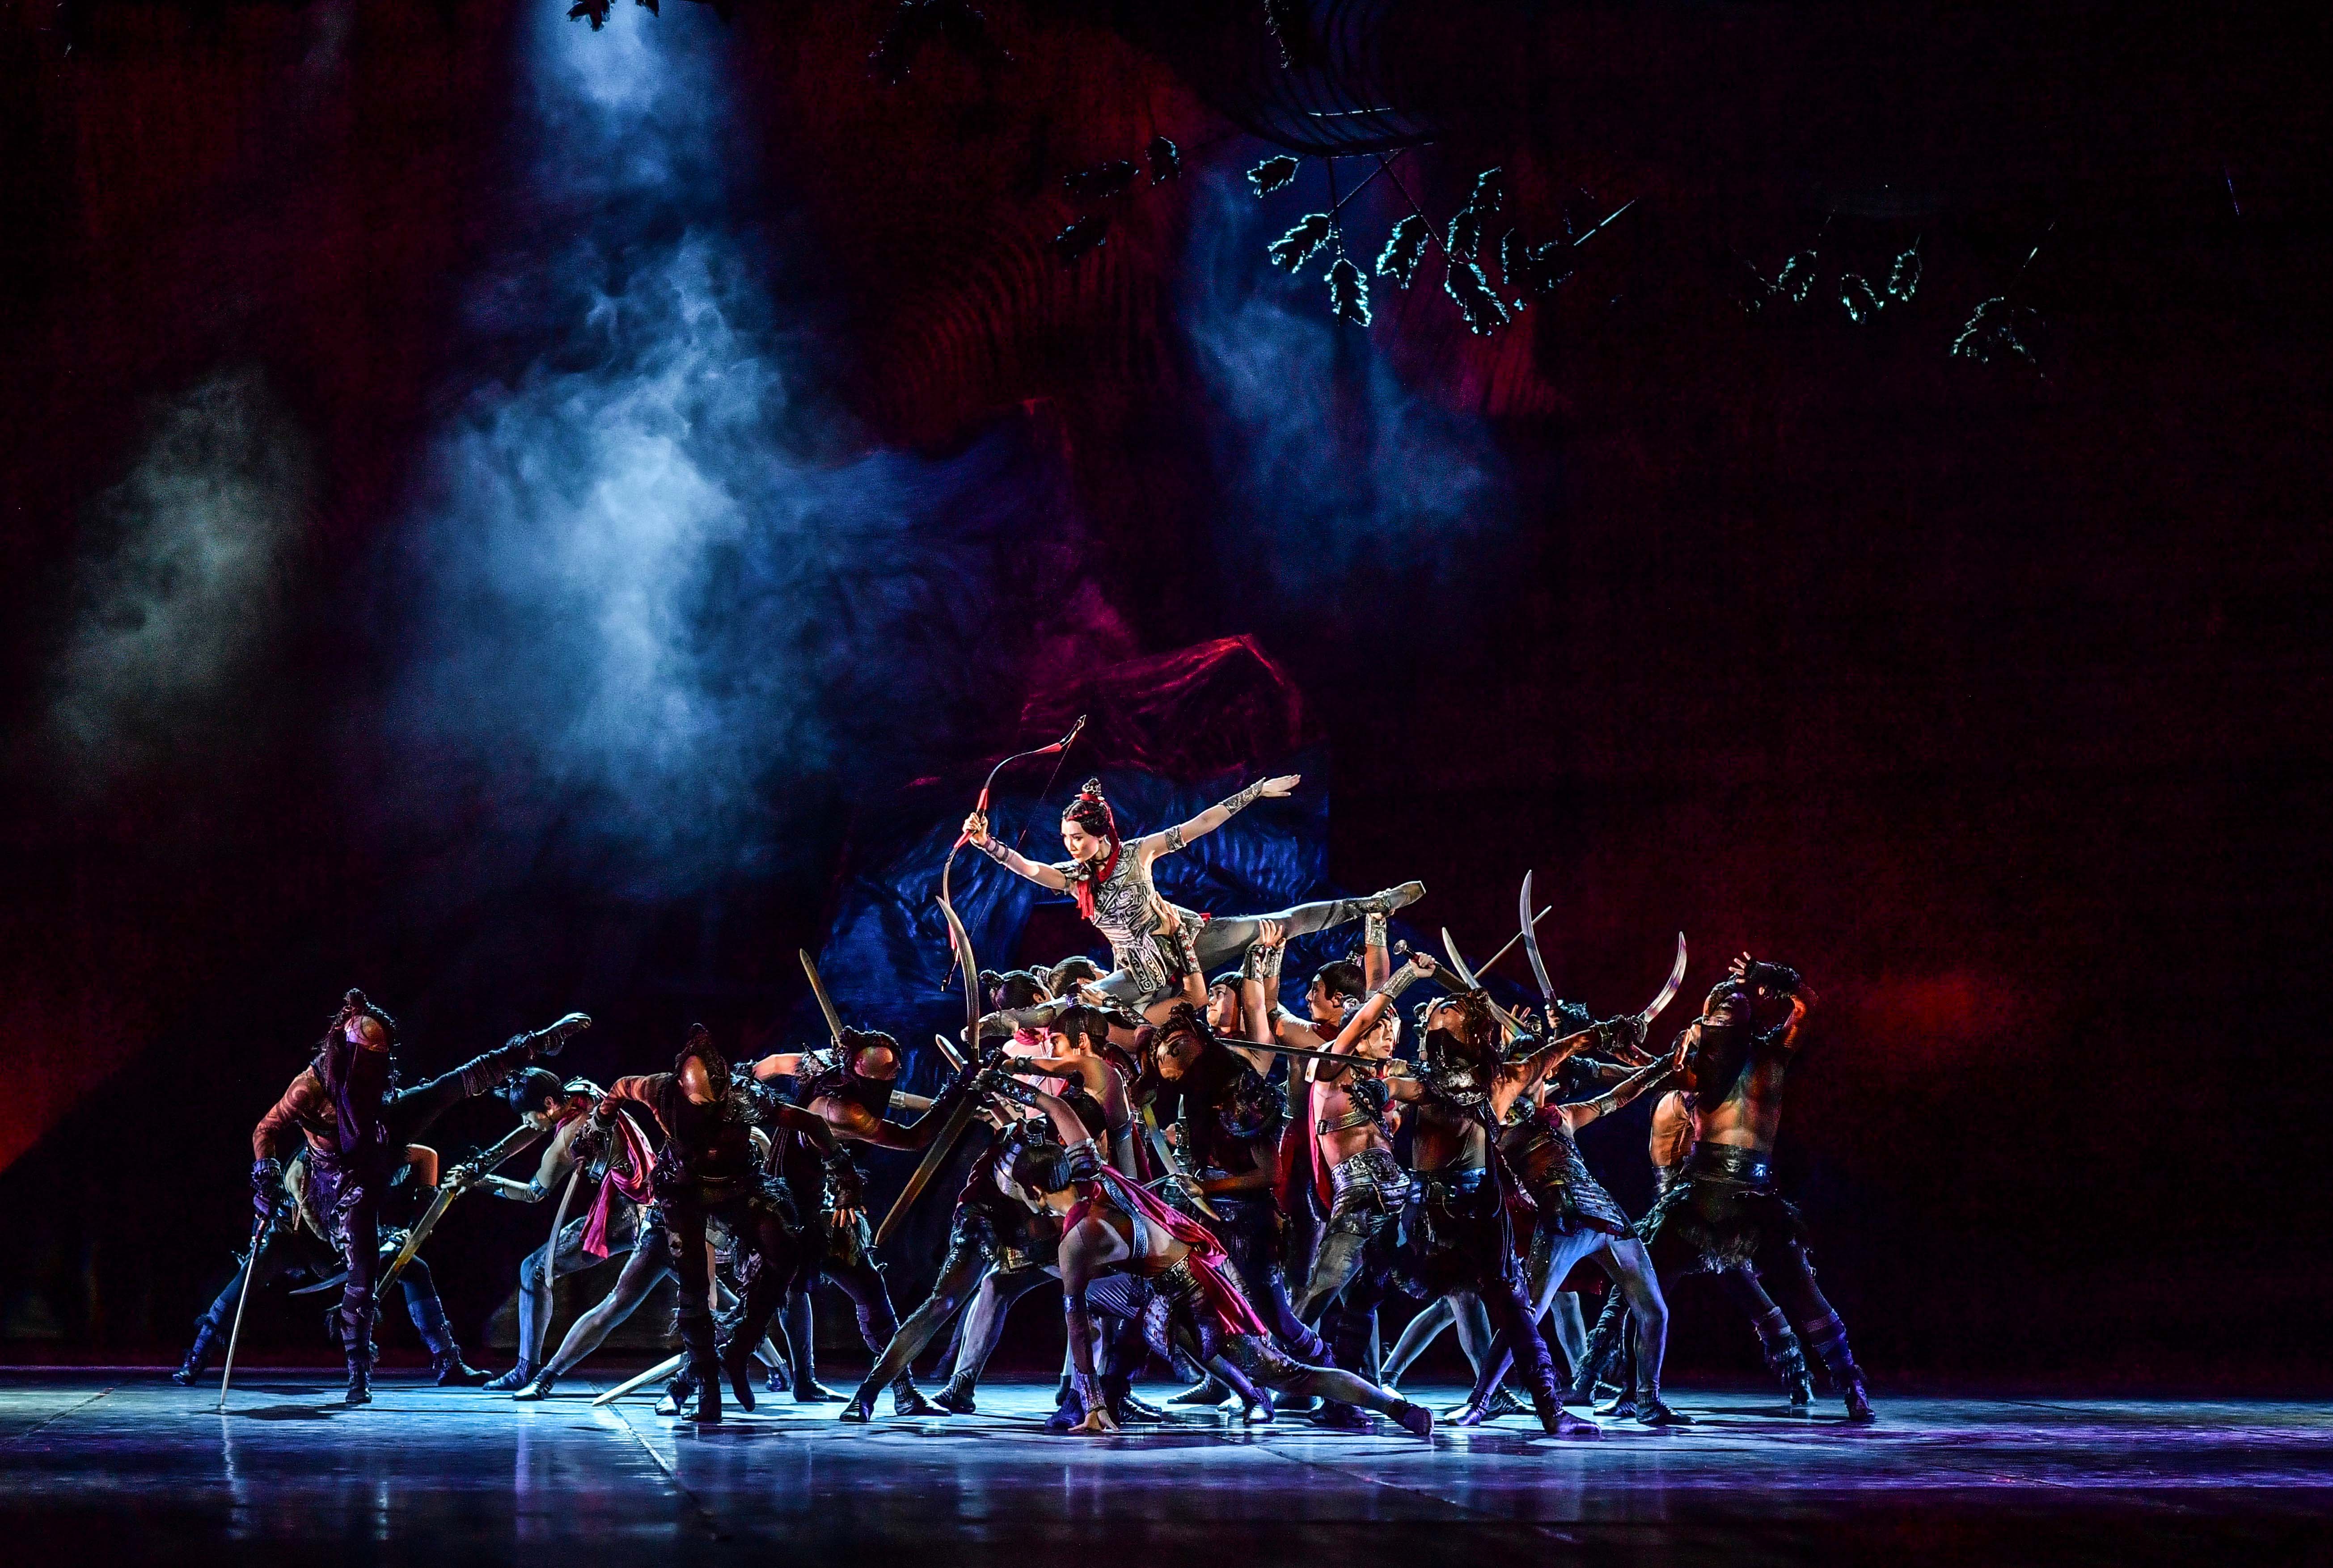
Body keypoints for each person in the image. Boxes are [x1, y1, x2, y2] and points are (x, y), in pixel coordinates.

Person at [1006, 1084, 1436, 1438]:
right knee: (1131, 1310)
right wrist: (1011, 1083)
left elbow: (1078, 1330)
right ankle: (1243, 1393)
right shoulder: (1092, 1172)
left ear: (1035, 1192)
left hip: (1196, 1299)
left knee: (1289, 1374)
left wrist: (1094, 1406)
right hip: (1169, 1292)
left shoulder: (1078, 1240)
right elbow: (1059, 1109)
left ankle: (1393, 1407)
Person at [247, 991, 589, 1404]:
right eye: (368, 1058)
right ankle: (358, 1374)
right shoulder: (309, 1088)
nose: (376, 1067)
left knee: (449, 1088)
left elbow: (432, 1143)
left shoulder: (374, 1083)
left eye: (381, 1059)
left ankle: (537, 1044)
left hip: (380, 1133)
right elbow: (265, 1130)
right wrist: (265, 1178)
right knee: (364, 1270)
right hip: (340, 1179)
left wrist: (425, 1205)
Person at [1635, 954, 1872, 1422]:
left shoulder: (1772, 1055)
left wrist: (1776, 976)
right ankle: (1643, 1395)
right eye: (1719, 1004)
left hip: (1753, 1198)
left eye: (1736, 1000)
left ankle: (1851, 1383)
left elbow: (1808, 1006)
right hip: (1699, 1197)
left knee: (1805, 1293)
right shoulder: (1699, 1069)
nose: (1728, 1003)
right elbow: (1639, 1073)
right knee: (1644, 1286)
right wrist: (1592, 1051)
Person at [962, 775, 1421, 1004]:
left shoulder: (1138, 853)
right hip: (1140, 969)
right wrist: (988, 844)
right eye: (1066, 838)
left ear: (1102, 834)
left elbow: (1201, 824)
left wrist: (1255, 792)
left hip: (1188, 937)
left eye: (1077, 838)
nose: (1070, 846)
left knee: (1280, 922)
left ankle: (1373, 903)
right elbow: (1032, 869)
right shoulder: (1075, 876)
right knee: (1086, 1003)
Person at [601, 1026, 845, 1424]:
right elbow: (620, 1087)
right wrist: (603, 1118)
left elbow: (813, 1124)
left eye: (716, 1104)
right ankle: (706, 1389)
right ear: (682, 1087)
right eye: (701, 1104)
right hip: (683, 1192)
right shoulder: (659, 1090)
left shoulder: (744, 1096)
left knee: (786, 1252)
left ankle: (740, 1348)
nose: (710, 1115)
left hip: (738, 1188)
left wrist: (844, 1174)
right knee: (695, 1288)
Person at [476, 1071, 638, 1393]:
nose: (527, 1123)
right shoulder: (583, 1092)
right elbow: (532, 1129)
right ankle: (758, 1350)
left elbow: (533, 1193)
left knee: (534, 1270)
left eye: (528, 1115)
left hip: (626, 1216)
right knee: (699, 1285)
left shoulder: (569, 1140)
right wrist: (489, 1159)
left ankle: (527, 1370)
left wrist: (482, 1182)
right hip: (653, 1204)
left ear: (549, 1104)